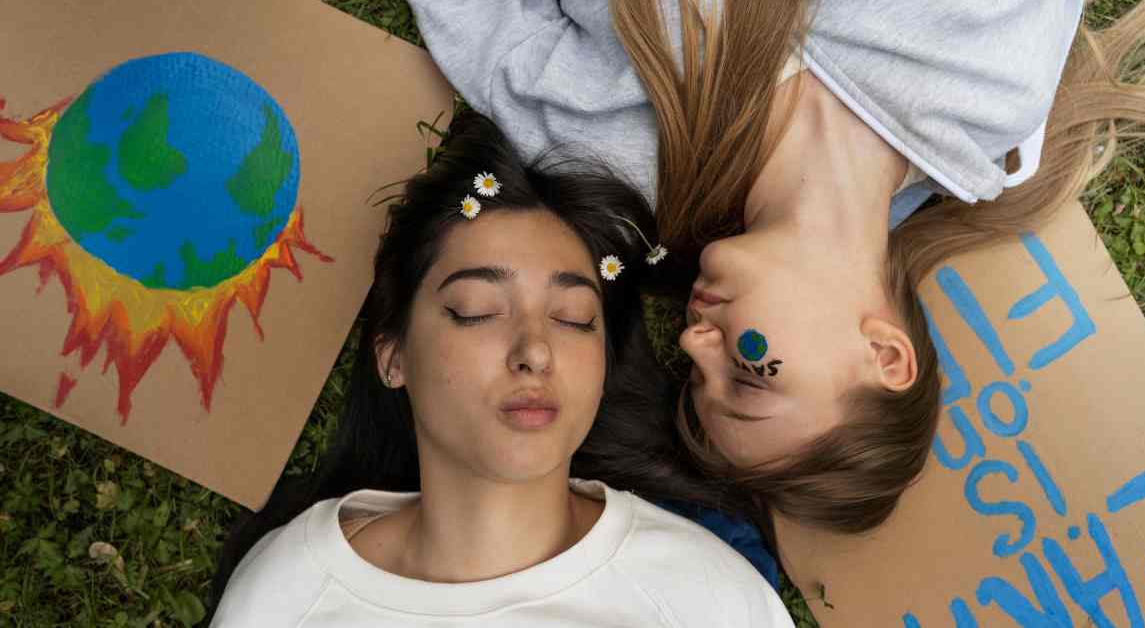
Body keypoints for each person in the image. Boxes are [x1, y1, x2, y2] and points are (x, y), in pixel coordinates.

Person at [385, 0, 1087, 535]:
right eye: (750, 374)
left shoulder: (622, 170)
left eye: (696, 375)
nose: (693, 343)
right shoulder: (990, 96)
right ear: (884, 355)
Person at [203, 111, 794, 626]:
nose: (534, 351)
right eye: (477, 311)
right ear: (394, 356)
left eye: (573, 317)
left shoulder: (703, 595)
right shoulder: (288, 596)